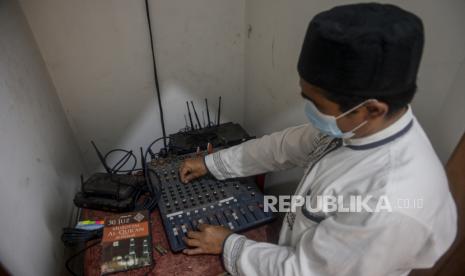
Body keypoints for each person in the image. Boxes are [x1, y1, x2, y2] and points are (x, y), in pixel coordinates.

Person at [178, 3, 457, 276]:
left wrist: (229, 245)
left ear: (373, 109)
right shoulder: (356, 127)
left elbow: (304, 270)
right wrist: (212, 163)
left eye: (316, 103)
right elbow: (283, 147)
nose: (309, 111)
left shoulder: (389, 205)